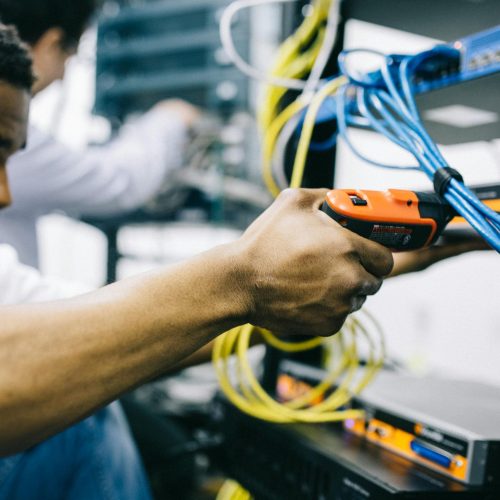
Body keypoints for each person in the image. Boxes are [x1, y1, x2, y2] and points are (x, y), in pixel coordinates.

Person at [0, 0, 200, 267]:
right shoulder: (17, 142)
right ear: (51, 44)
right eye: (69, 58)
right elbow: (117, 182)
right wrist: (172, 117)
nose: (61, 77)